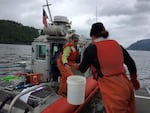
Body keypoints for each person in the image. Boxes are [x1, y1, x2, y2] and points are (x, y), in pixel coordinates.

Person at [76, 22, 140, 113]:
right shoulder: (117, 45)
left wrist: (75, 65)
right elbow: (131, 63)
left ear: (92, 35)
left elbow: (82, 69)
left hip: (113, 90)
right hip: (126, 85)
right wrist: (134, 80)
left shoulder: (91, 49)